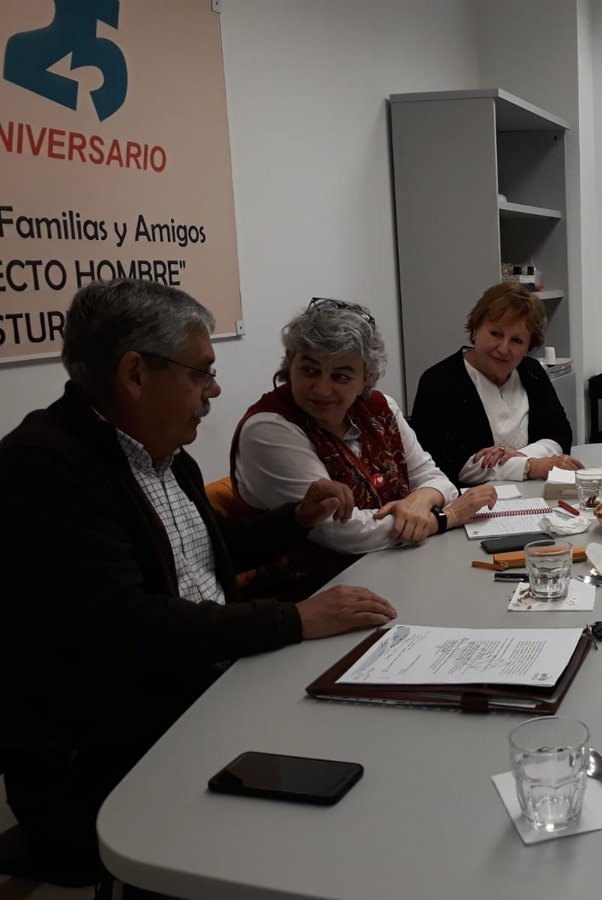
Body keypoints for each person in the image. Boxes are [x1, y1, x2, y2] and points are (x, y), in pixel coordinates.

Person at [0, 280, 396, 880]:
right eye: (201, 372)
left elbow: (200, 554)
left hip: (208, 694)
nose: (214, 389)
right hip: (112, 758)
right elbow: (130, 626)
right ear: (136, 374)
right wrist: (294, 619)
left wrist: (297, 519)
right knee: (338, 815)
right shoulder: (45, 468)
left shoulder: (160, 450)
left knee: (376, 732)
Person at [232, 297, 496, 556]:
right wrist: (445, 517)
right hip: (317, 580)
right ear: (290, 361)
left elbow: (435, 478)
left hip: (398, 561)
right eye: (309, 371)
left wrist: (421, 499)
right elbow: (340, 531)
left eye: (340, 376)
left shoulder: (382, 408)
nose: (322, 389)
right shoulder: (268, 429)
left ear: (366, 378)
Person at [411, 282, 582, 485]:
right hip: (469, 499)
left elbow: (560, 435)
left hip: (532, 492)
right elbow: (450, 464)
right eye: (496, 334)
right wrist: (530, 466)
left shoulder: (532, 372)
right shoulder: (439, 381)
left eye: (517, 341)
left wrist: (519, 455)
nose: (503, 349)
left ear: (528, 346)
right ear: (476, 329)